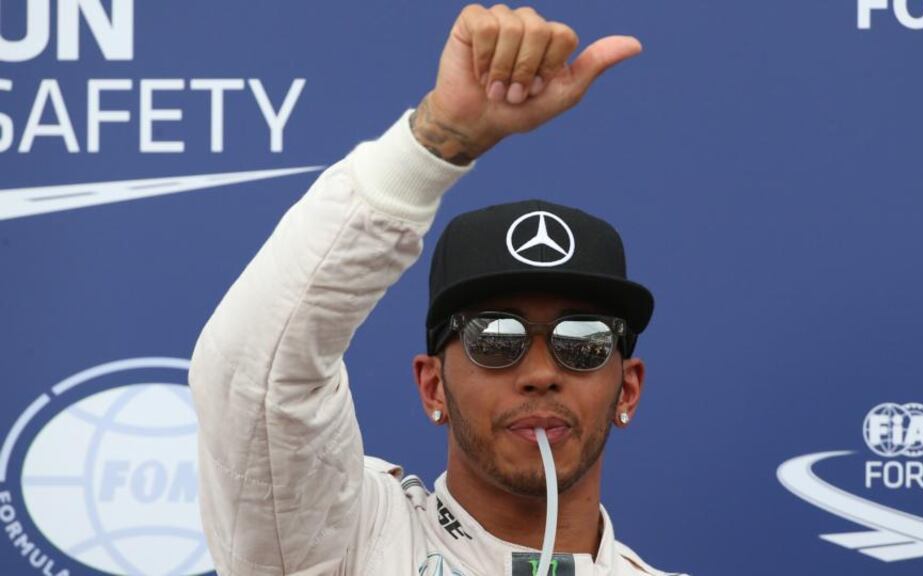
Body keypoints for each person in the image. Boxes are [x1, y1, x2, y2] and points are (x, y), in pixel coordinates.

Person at [189, 4, 684, 575]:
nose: (541, 372)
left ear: (627, 389)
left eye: (584, 340)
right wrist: (437, 140)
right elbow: (253, 376)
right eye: (496, 338)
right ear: (433, 388)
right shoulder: (346, 540)